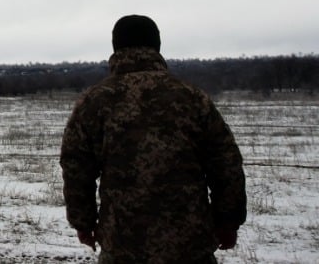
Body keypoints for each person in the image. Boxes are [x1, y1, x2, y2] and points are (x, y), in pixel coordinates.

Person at [60, 14, 246, 263]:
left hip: (121, 244)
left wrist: (83, 223)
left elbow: (76, 169)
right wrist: (227, 221)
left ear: (116, 46)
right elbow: (225, 164)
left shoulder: (93, 102)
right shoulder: (191, 96)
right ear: (157, 46)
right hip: (190, 245)